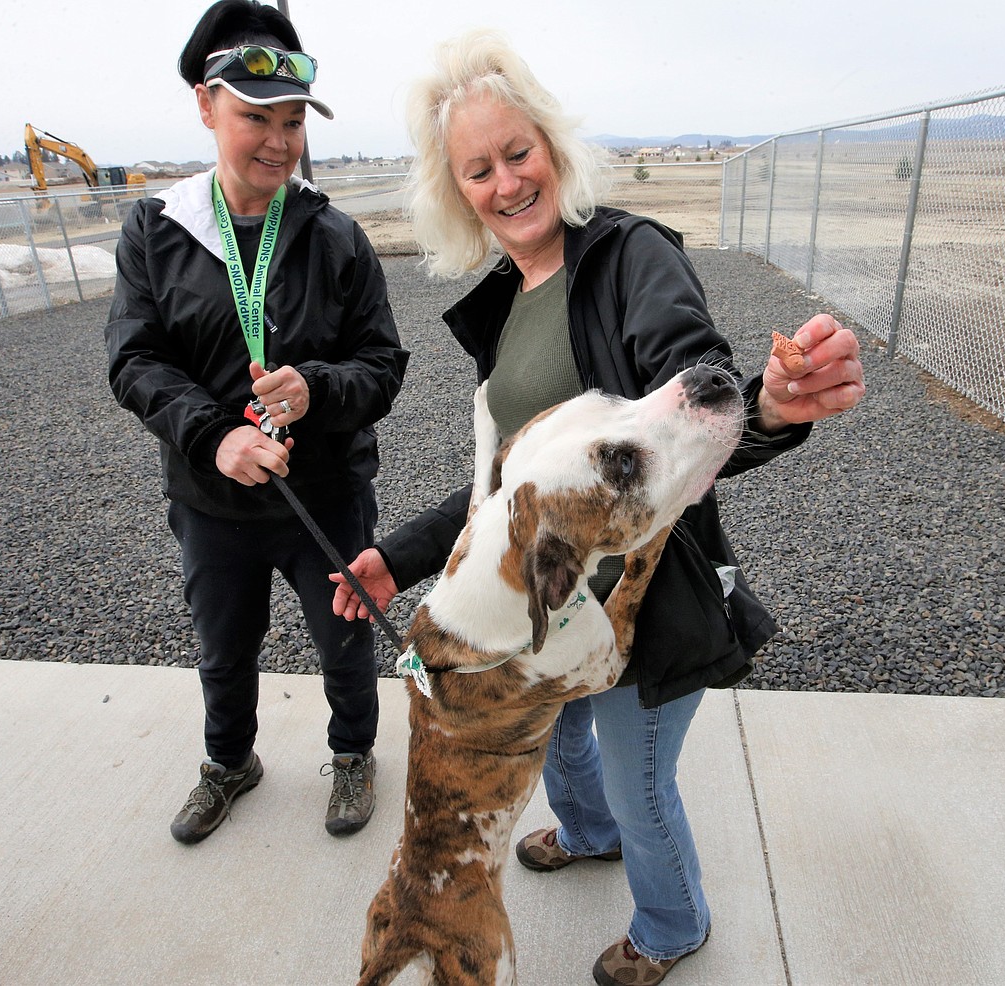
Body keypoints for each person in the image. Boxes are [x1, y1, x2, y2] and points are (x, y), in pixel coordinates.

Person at [331, 29, 864, 985]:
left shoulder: (627, 256)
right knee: (562, 739)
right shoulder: (506, 300)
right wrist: (397, 556)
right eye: (479, 169)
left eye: (519, 152)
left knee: (639, 777)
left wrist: (770, 405)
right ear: (458, 191)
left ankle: (672, 925)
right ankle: (586, 834)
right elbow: (510, 490)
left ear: (553, 146)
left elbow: (682, 407)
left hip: (647, 611)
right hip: (554, 602)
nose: (507, 182)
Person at [106, 0, 408, 845]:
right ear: (206, 108)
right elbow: (134, 361)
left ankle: (354, 755)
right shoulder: (156, 229)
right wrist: (213, 434)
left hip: (326, 494)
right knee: (222, 651)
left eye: (292, 122)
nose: (278, 141)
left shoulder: (336, 236)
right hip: (212, 501)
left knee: (346, 644)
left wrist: (316, 389)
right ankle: (229, 762)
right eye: (254, 119)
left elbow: (382, 365)